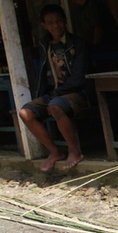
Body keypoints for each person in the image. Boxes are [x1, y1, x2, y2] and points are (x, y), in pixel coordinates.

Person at [19, 4, 89, 172]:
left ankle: (74, 151)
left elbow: (79, 78)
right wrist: (41, 96)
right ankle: (54, 151)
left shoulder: (77, 44)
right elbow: (43, 75)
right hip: (53, 94)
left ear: (65, 22)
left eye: (58, 21)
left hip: (76, 93)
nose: (55, 25)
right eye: (50, 23)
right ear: (44, 25)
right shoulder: (45, 46)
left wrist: (55, 94)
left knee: (55, 106)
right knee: (25, 113)